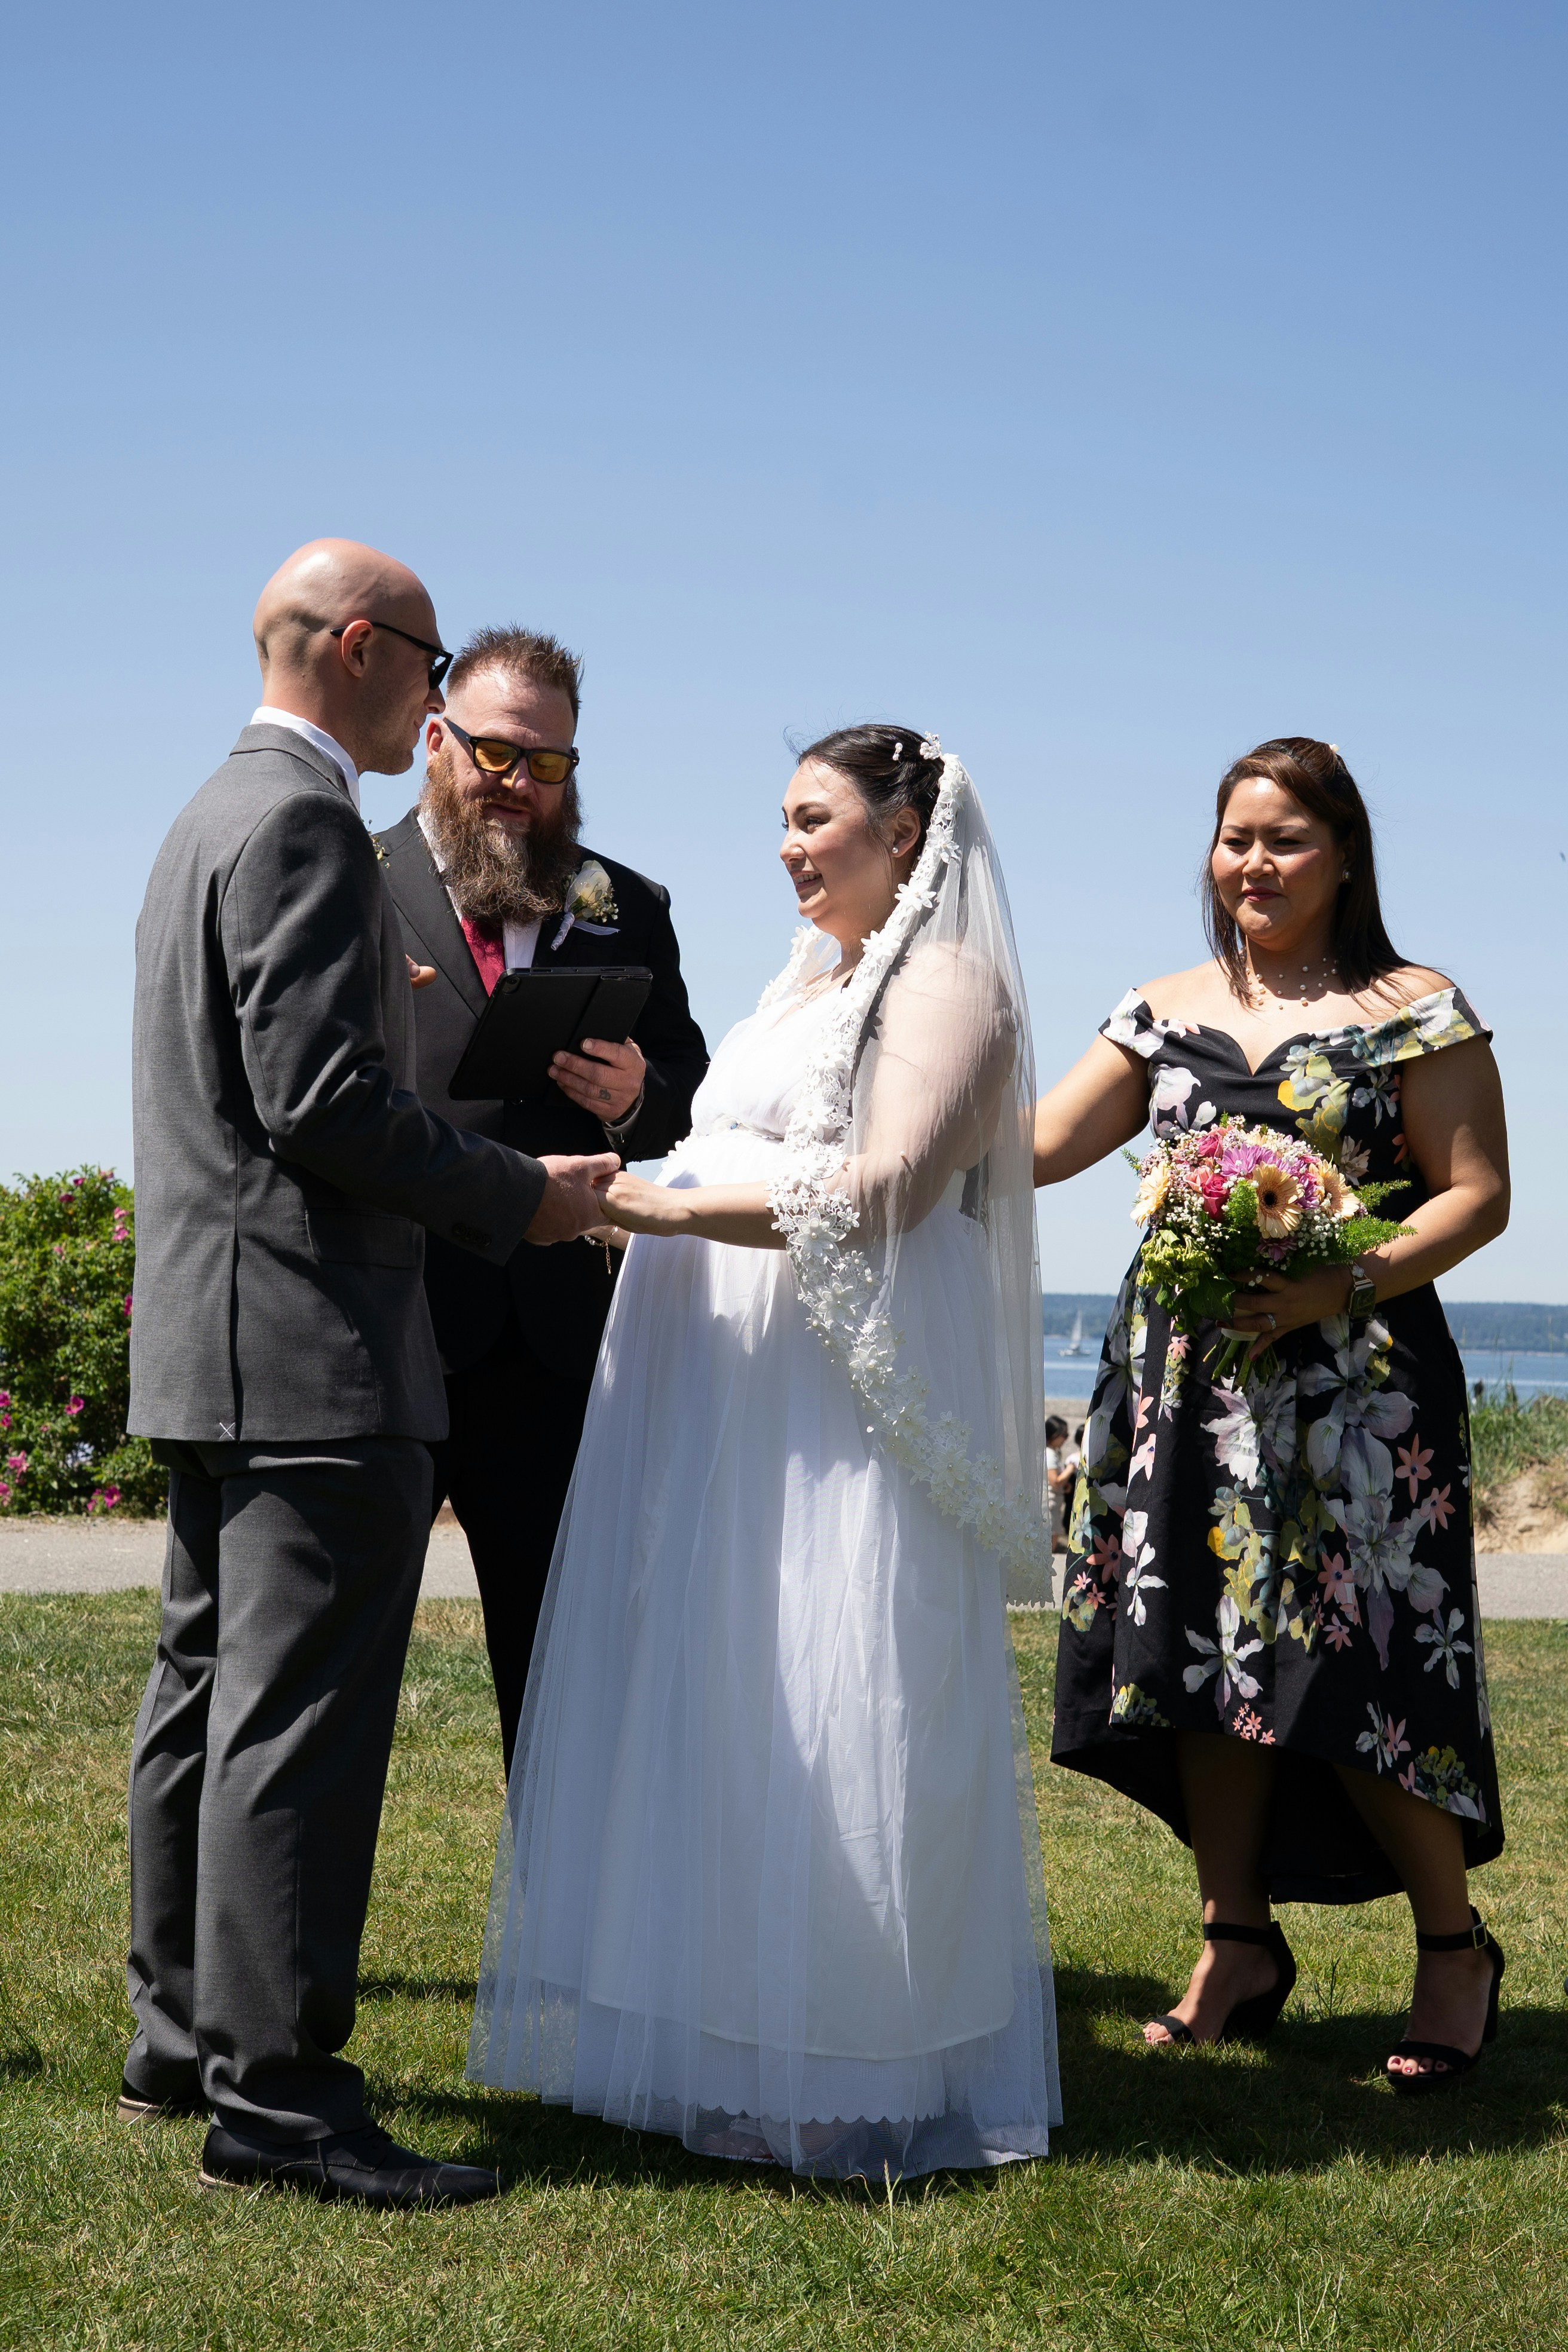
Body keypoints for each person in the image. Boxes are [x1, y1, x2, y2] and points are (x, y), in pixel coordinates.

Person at [468, 727, 1060, 2178]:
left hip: (841, 1400)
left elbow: (882, 1190)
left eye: (814, 820)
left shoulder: (950, 987)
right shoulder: (808, 981)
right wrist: (647, 1148)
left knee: (850, 1678)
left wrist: (653, 1213)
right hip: (735, 1393)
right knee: (742, 1697)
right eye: (780, 822)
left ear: (905, 832)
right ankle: (730, 2033)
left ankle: (861, 2058)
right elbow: (734, 1140)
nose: (787, 848)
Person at [123, 541, 617, 2207]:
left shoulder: (208, 811)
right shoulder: (307, 820)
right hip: (318, 1350)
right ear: (358, 645)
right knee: (300, 1735)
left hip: (216, 1344)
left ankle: (180, 2038)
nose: (433, 697)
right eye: (422, 663)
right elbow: (321, 1101)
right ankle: (274, 2100)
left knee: (204, 1697)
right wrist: (526, 1196)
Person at [1034, 737, 1509, 2092]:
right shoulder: (1156, 1007)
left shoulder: (1414, 1008)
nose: (1250, 862)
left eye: (1282, 839)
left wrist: (1334, 1280)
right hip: (1184, 1387)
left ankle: (1450, 1947)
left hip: (1358, 1399)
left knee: (1367, 1669)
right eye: (1232, 837)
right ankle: (1231, 1941)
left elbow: (1474, 1194)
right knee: (1197, 1656)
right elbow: (1037, 1145)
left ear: (1343, 855)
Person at [373, 627, 708, 1769]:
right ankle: (304, 1939)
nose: (524, 786)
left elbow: (687, 1091)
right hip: (389, 1320)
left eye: (552, 763)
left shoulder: (627, 903)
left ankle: (562, 1945)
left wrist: (635, 1097)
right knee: (346, 1655)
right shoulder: (350, 882)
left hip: (556, 1343)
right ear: (434, 740)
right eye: (499, 754)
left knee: (565, 1674)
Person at [1045, 1414, 1073, 1551]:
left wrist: (1065, 1485)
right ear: (1054, 1434)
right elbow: (1055, 1482)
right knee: (1051, 1542)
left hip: (1054, 1503)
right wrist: (1071, 1468)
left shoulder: (1052, 1452)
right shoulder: (1049, 1454)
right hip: (1050, 1505)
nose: (1066, 1438)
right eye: (1064, 1434)